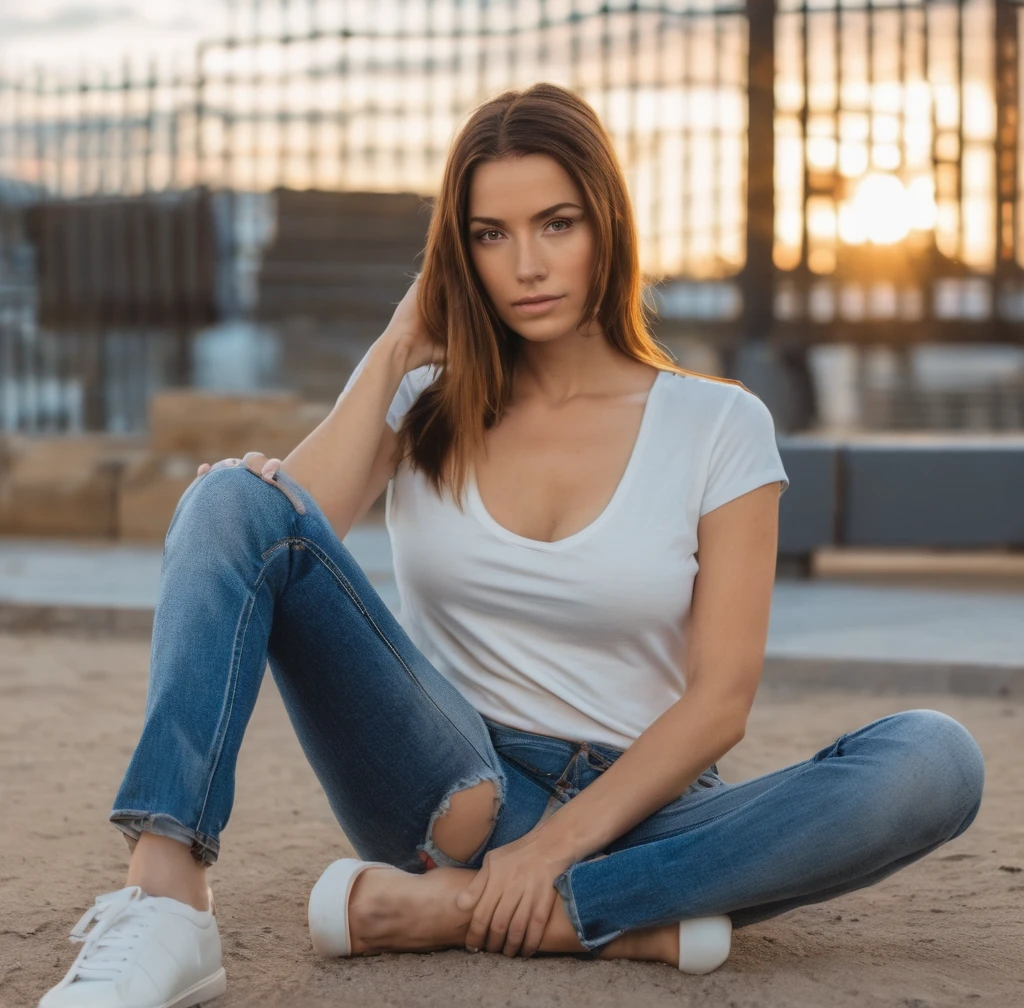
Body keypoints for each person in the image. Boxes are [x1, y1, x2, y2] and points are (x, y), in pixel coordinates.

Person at [38, 82, 985, 1008]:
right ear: (459, 253)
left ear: (606, 224)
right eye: (490, 235)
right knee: (229, 493)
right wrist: (399, 343)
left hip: (653, 808)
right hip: (448, 781)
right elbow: (279, 530)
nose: (526, 263)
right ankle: (165, 902)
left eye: (556, 223)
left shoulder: (720, 424)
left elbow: (721, 701)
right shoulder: (426, 407)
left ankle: (465, 911)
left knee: (935, 759)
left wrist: (550, 849)